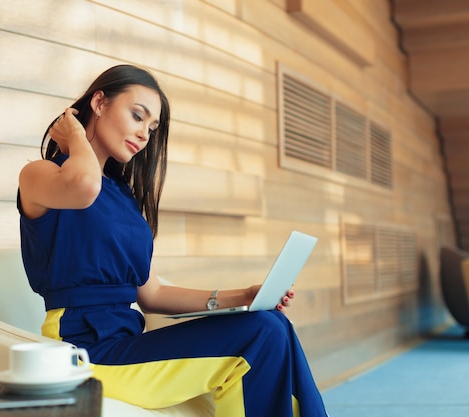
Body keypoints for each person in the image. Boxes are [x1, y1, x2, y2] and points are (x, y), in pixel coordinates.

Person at [17, 64, 328, 417]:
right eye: (138, 116)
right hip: (80, 353)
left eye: (152, 128)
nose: (145, 134)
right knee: (261, 335)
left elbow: (152, 295)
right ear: (99, 102)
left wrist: (243, 296)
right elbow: (85, 186)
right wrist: (73, 132)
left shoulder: (123, 197)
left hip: (127, 344)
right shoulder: (40, 174)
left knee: (273, 324)